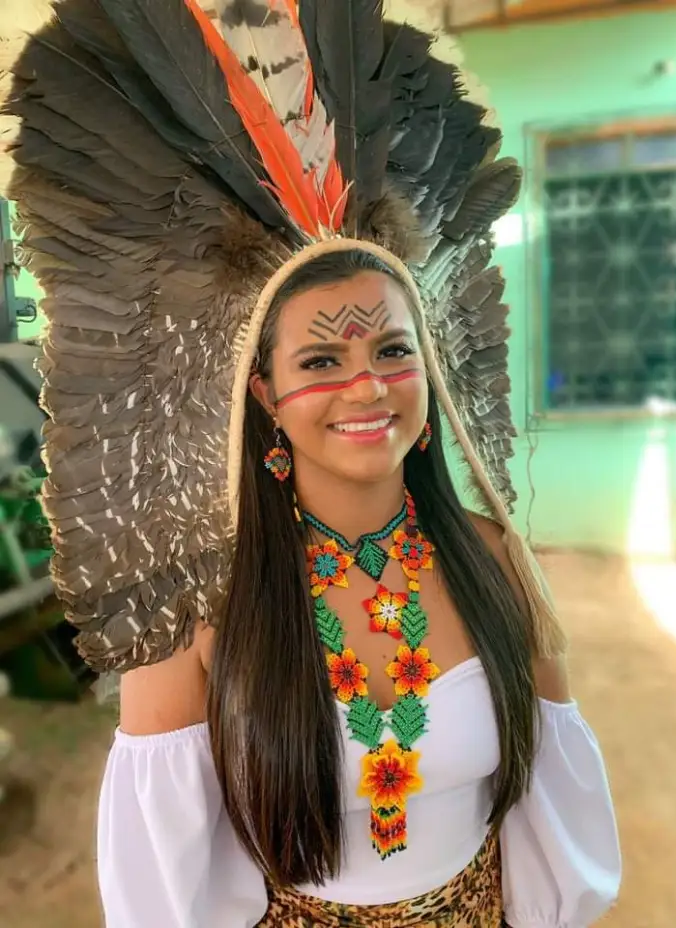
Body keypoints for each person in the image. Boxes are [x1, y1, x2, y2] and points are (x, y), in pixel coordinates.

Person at [1, 1, 621, 926]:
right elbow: (164, 890)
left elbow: (551, 818)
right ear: (264, 393)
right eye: (322, 361)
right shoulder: (198, 608)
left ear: (431, 365)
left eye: (393, 351)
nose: (367, 387)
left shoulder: (496, 560)